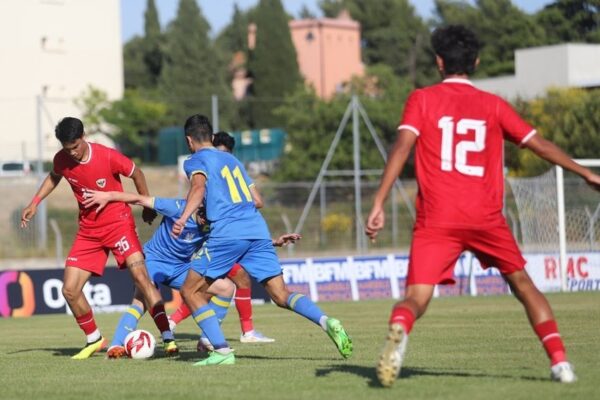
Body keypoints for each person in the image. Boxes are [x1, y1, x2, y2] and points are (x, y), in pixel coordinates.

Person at [365, 25, 600, 387]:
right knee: (524, 285)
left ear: (439, 62)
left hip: (437, 217)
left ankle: (401, 325)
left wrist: (379, 201)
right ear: (475, 61)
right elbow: (540, 145)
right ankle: (561, 364)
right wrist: (585, 172)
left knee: (416, 297)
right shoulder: (493, 105)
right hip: (485, 216)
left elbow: (401, 148)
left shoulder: (422, 99)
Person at [171, 114, 353, 366]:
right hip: (256, 229)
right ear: (212, 137)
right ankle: (326, 321)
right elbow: (256, 200)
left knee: (190, 289)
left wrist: (183, 218)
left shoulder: (195, 160)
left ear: (189, 141)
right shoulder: (233, 160)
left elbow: (198, 188)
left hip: (227, 232)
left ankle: (221, 351)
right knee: (281, 294)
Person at [20, 117, 177, 359]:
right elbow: (54, 176)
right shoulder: (62, 159)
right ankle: (94, 338)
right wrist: (35, 202)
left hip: (119, 225)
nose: (71, 152)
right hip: (88, 231)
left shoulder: (107, 155)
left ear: (83, 137)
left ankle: (167, 338)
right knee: (69, 290)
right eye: (66, 148)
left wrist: (146, 204)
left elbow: (138, 174)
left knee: (142, 279)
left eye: (74, 146)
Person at [82, 189, 300, 356]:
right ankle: (117, 345)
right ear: (198, 207)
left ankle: (207, 340)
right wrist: (108, 195)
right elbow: (139, 199)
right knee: (144, 300)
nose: (207, 222)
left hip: (181, 267)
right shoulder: (177, 207)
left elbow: (239, 242)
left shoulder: (213, 224)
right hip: (153, 261)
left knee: (226, 287)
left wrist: (274, 242)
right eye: (205, 216)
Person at [168, 131, 275, 344]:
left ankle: (241, 332)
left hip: (227, 235)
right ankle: (204, 333)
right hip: (212, 241)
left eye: (224, 152)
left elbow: (258, 201)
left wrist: (228, 206)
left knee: (231, 282)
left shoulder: (227, 171)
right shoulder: (204, 171)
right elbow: (193, 198)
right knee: (209, 287)